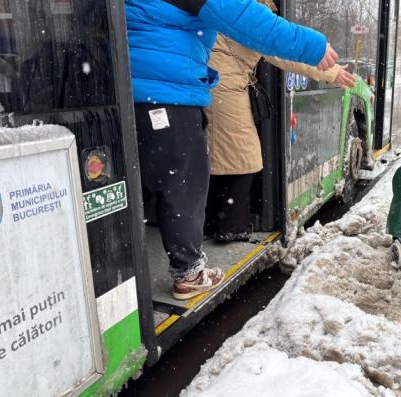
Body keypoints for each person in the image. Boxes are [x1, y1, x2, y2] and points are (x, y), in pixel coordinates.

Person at [126, 0, 339, 300]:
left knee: (152, 178)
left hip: (132, 90)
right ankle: (190, 272)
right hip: (169, 92)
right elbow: (252, 23)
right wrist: (314, 46)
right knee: (183, 185)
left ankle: (126, 269)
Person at [205, 0, 356, 242]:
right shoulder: (249, 9)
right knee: (241, 157)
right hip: (224, 87)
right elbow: (281, 51)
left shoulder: (245, 7)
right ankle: (228, 226)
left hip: (223, 84)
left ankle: (222, 223)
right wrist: (330, 71)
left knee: (229, 156)